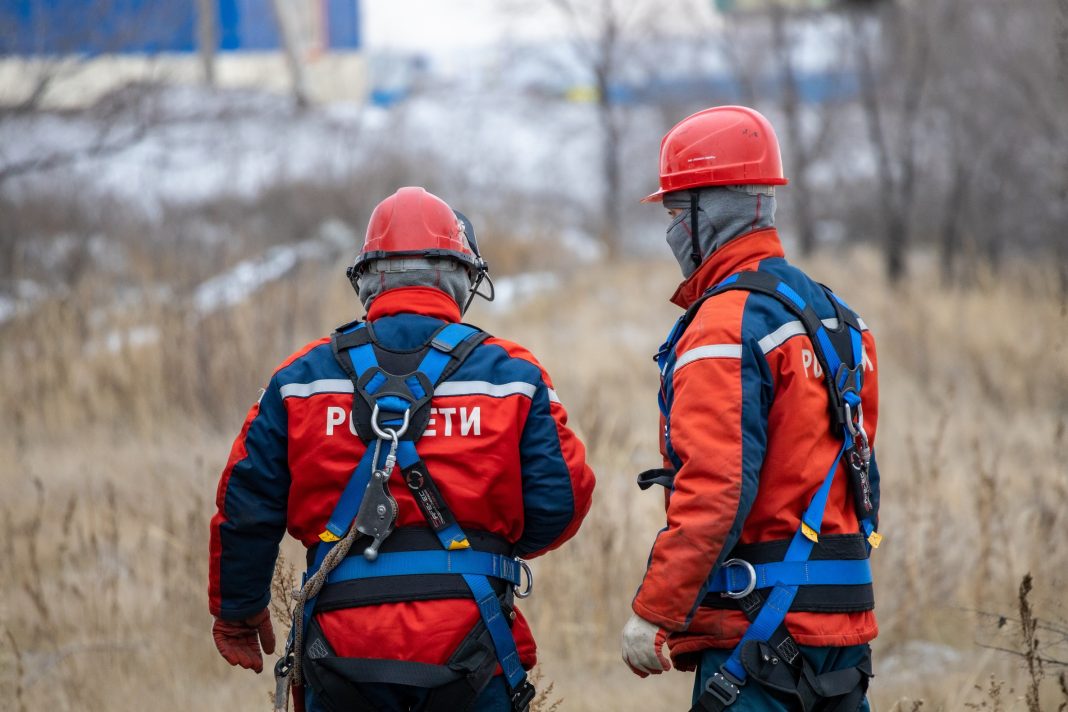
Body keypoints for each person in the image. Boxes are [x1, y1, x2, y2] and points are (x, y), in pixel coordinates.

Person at [209, 186, 596, 712]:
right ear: (459, 276)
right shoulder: (512, 374)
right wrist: (481, 545)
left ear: (369, 279)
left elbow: (245, 505)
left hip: (339, 644)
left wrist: (238, 608)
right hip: (471, 639)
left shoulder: (300, 378)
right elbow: (561, 503)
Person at [621, 106, 882, 711]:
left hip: (759, 637)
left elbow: (714, 488)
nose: (670, 232)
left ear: (705, 212)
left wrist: (655, 611)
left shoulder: (723, 324)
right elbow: (861, 477)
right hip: (843, 635)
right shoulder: (841, 320)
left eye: (671, 212)